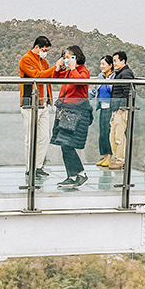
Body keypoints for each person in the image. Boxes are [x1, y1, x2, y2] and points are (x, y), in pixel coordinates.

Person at [50, 45, 92, 190]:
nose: (66, 60)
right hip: (65, 111)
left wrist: (73, 68)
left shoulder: (82, 71)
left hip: (76, 113)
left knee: (67, 144)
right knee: (63, 144)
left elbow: (80, 81)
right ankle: (72, 176)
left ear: (76, 57)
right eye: (65, 57)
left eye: (68, 57)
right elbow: (55, 79)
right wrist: (58, 67)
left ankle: (80, 173)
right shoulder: (68, 72)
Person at [19, 35, 56, 180]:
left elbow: (50, 76)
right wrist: (54, 68)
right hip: (30, 103)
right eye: (44, 49)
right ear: (37, 47)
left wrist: (59, 68)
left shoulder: (44, 62)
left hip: (43, 103)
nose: (45, 52)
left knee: (44, 137)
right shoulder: (26, 59)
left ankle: (38, 166)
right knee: (30, 138)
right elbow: (37, 75)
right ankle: (29, 168)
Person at [106, 50, 135, 169]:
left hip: (121, 109)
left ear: (123, 61)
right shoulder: (120, 73)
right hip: (117, 109)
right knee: (113, 135)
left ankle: (120, 161)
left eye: (115, 61)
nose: (114, 63)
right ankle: (117, 158)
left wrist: (123, 108)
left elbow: (128, 92)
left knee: (119, 136)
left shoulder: (126, 73)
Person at [93, 57, 115, 166]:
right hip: (102, 107)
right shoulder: (100, 76)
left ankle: (110, 157)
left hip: (110, 108)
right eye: (100, 64)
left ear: (110, 65)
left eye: (104, 64)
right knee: (102, 133)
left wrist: (107, 81)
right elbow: (94, 90)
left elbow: (112, 90)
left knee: (108, 133)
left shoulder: (114, 77)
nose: (101, 66)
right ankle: (104, 156)